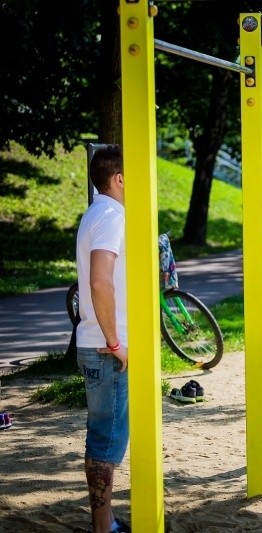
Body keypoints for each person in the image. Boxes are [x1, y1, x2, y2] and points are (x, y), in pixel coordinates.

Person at [75, 145, 131, 533]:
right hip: (105, 347)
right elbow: (100, 281)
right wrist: (115, 343)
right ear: (119, 179)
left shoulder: (97, 212)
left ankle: (104, 521)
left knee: (105, 436)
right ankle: (103, 527)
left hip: (99, 343)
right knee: (106, 440)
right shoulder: (111, 216)